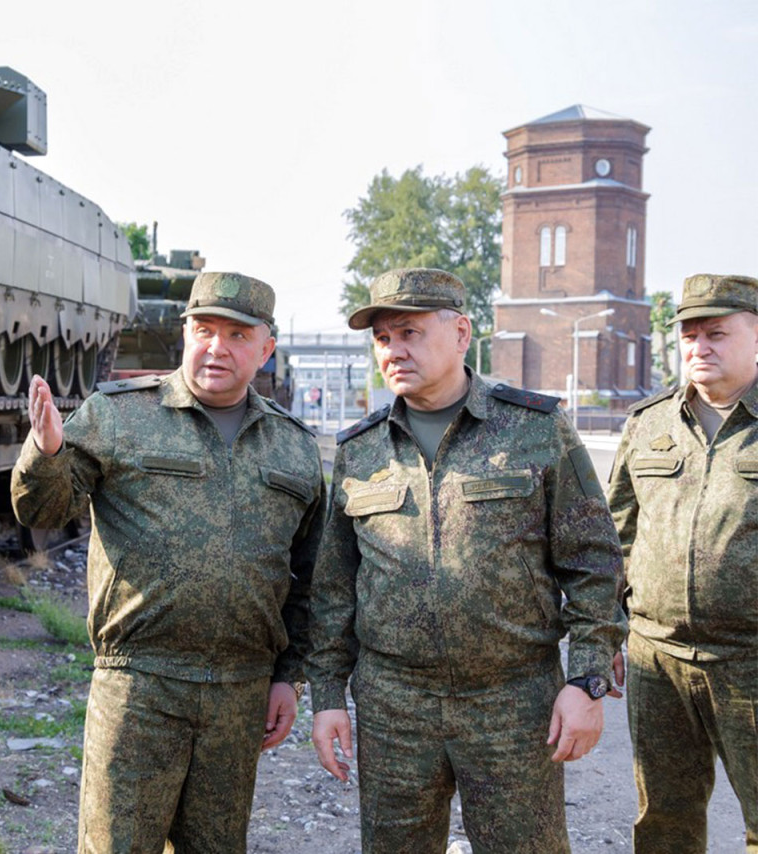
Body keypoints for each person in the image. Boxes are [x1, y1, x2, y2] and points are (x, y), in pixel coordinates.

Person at [307, 267, 627, 853]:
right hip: (394, 706)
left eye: (409, 332)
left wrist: (587, 679)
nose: (394, 350)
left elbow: (594, 562)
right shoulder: (361, 449)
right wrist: (327, 697)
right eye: (382, 338)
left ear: (461, 333)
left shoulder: (535, 428)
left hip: (512, 701)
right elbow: (333, 588)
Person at [11, 271, 324, 854]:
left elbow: (310, 577)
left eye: (236, 334)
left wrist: (289, 676)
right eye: (203, 329)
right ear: (185, 333)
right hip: (138, 685)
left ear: (266, 349)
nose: (216, 347)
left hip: (240, 693)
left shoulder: (295, 447)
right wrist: (47, 451)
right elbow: (44, 509)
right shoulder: (121, 415)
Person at [606, 273, 758, 853]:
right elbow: (616, 530)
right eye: (689, 335)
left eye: (716, 333)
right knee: (664, 819)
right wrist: (613, 628)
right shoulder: (650, 423)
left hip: (749, 662)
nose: (699, 348)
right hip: (657, 658)